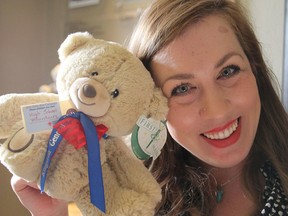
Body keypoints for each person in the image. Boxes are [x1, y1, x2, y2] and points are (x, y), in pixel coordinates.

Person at [10, 0, 288, 215]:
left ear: (256, 71)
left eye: (228, 71)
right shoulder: (131, 199)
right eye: (182, 88)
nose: (216, 110)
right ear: (150, 106)